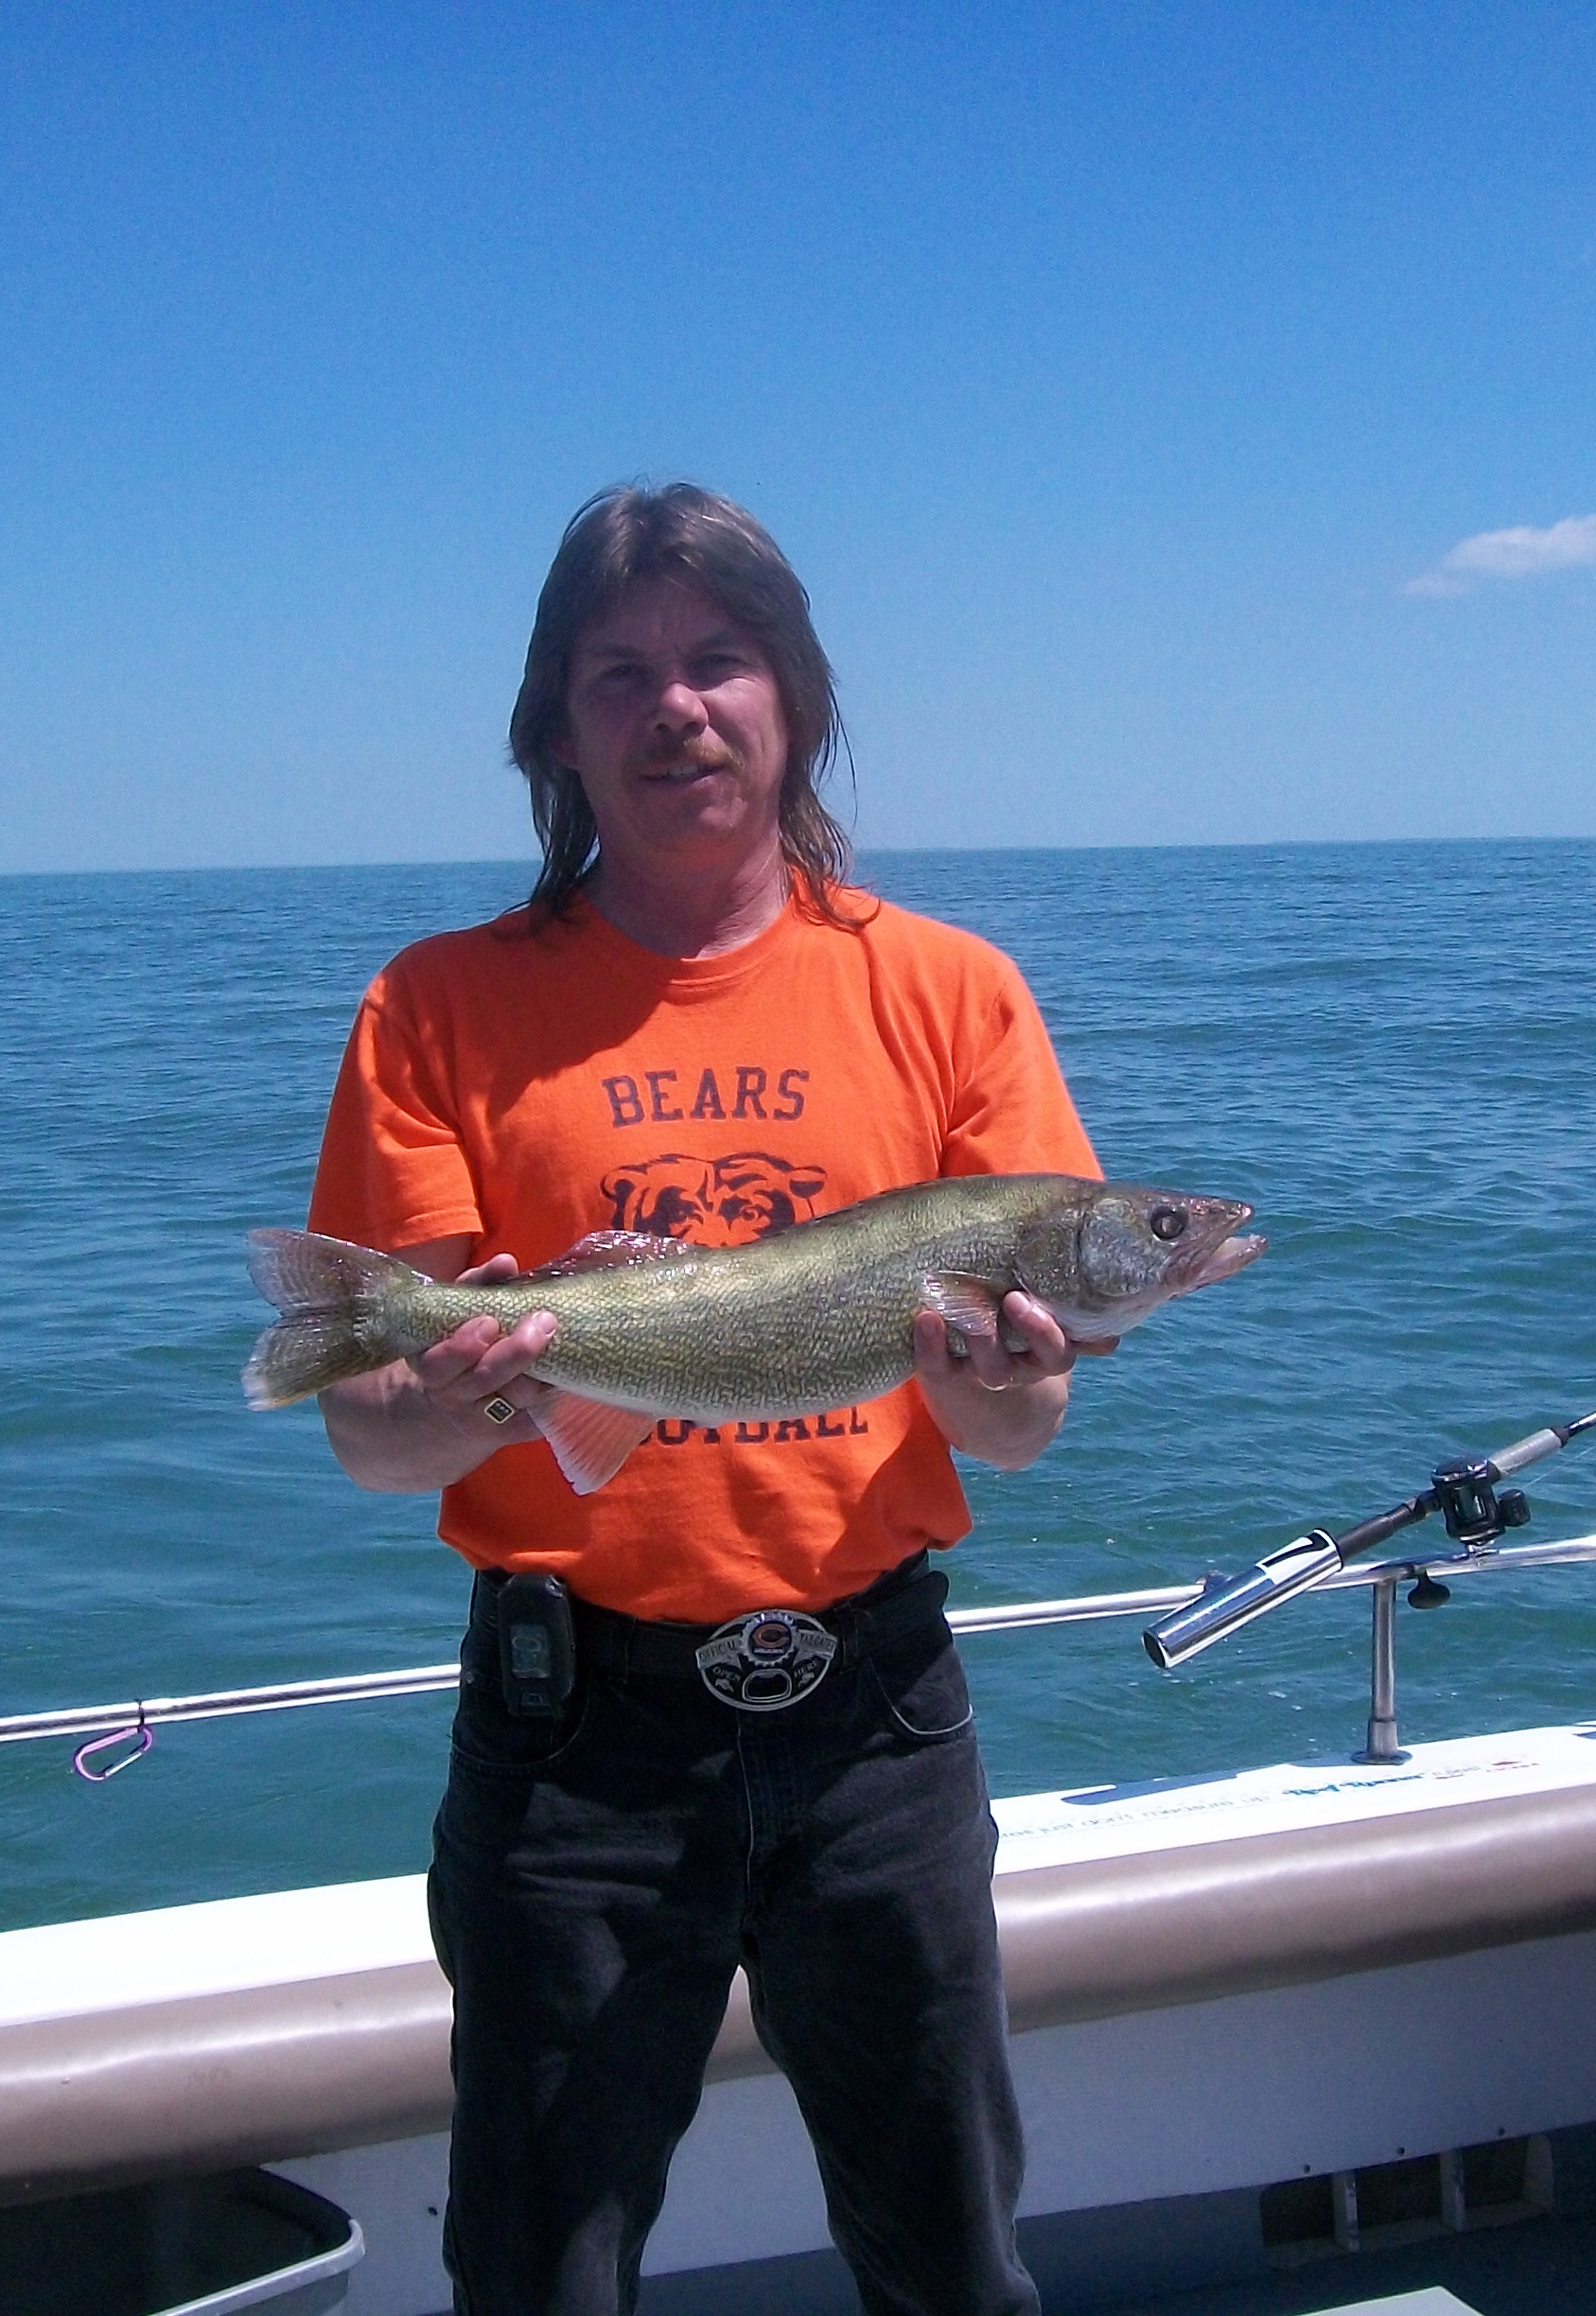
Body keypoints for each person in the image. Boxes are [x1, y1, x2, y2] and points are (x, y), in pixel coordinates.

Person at [302, 482, 1099, 2316]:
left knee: (955, 2263)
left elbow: (1015, 1432)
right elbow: (369, 1439)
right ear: (556, 729)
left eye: (720, 661)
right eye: (621, 673)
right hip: (574, 1747)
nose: (678, 708)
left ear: (793, 698)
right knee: (539, 2273)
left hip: (880, 1726)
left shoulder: (950, 993)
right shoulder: (433, 1010)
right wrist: (467, 1385)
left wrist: (1008, 1387)